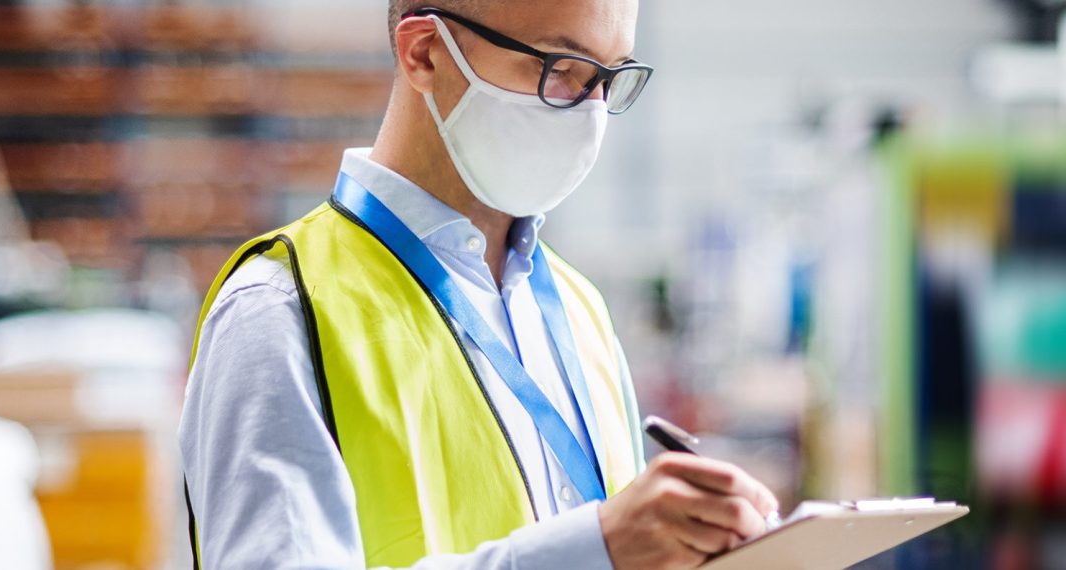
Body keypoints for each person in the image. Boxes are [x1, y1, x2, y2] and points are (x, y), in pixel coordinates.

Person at [178, 1, 779, 568]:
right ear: (426, 54)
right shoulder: (280, 309)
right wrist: (589, 550)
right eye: (560, 69)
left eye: (610, 78)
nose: (591, 111)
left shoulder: (579, 308)